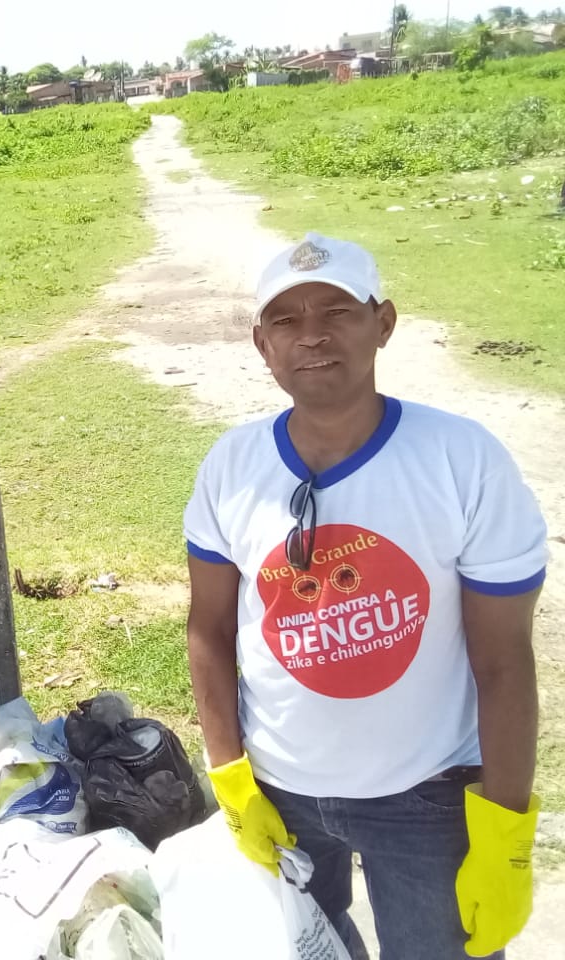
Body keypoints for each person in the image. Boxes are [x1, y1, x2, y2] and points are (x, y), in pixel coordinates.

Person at [184, 233, 547, 960]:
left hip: (429, 799)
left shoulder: (462, 460)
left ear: (383, 323)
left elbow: (504, 660)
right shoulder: (232, 467)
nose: (312, 335)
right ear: (261, 344)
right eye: (286, 320)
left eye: (337, 311)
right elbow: (209, 631)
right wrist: (231, 776)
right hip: (279, 789)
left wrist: (505, 833)